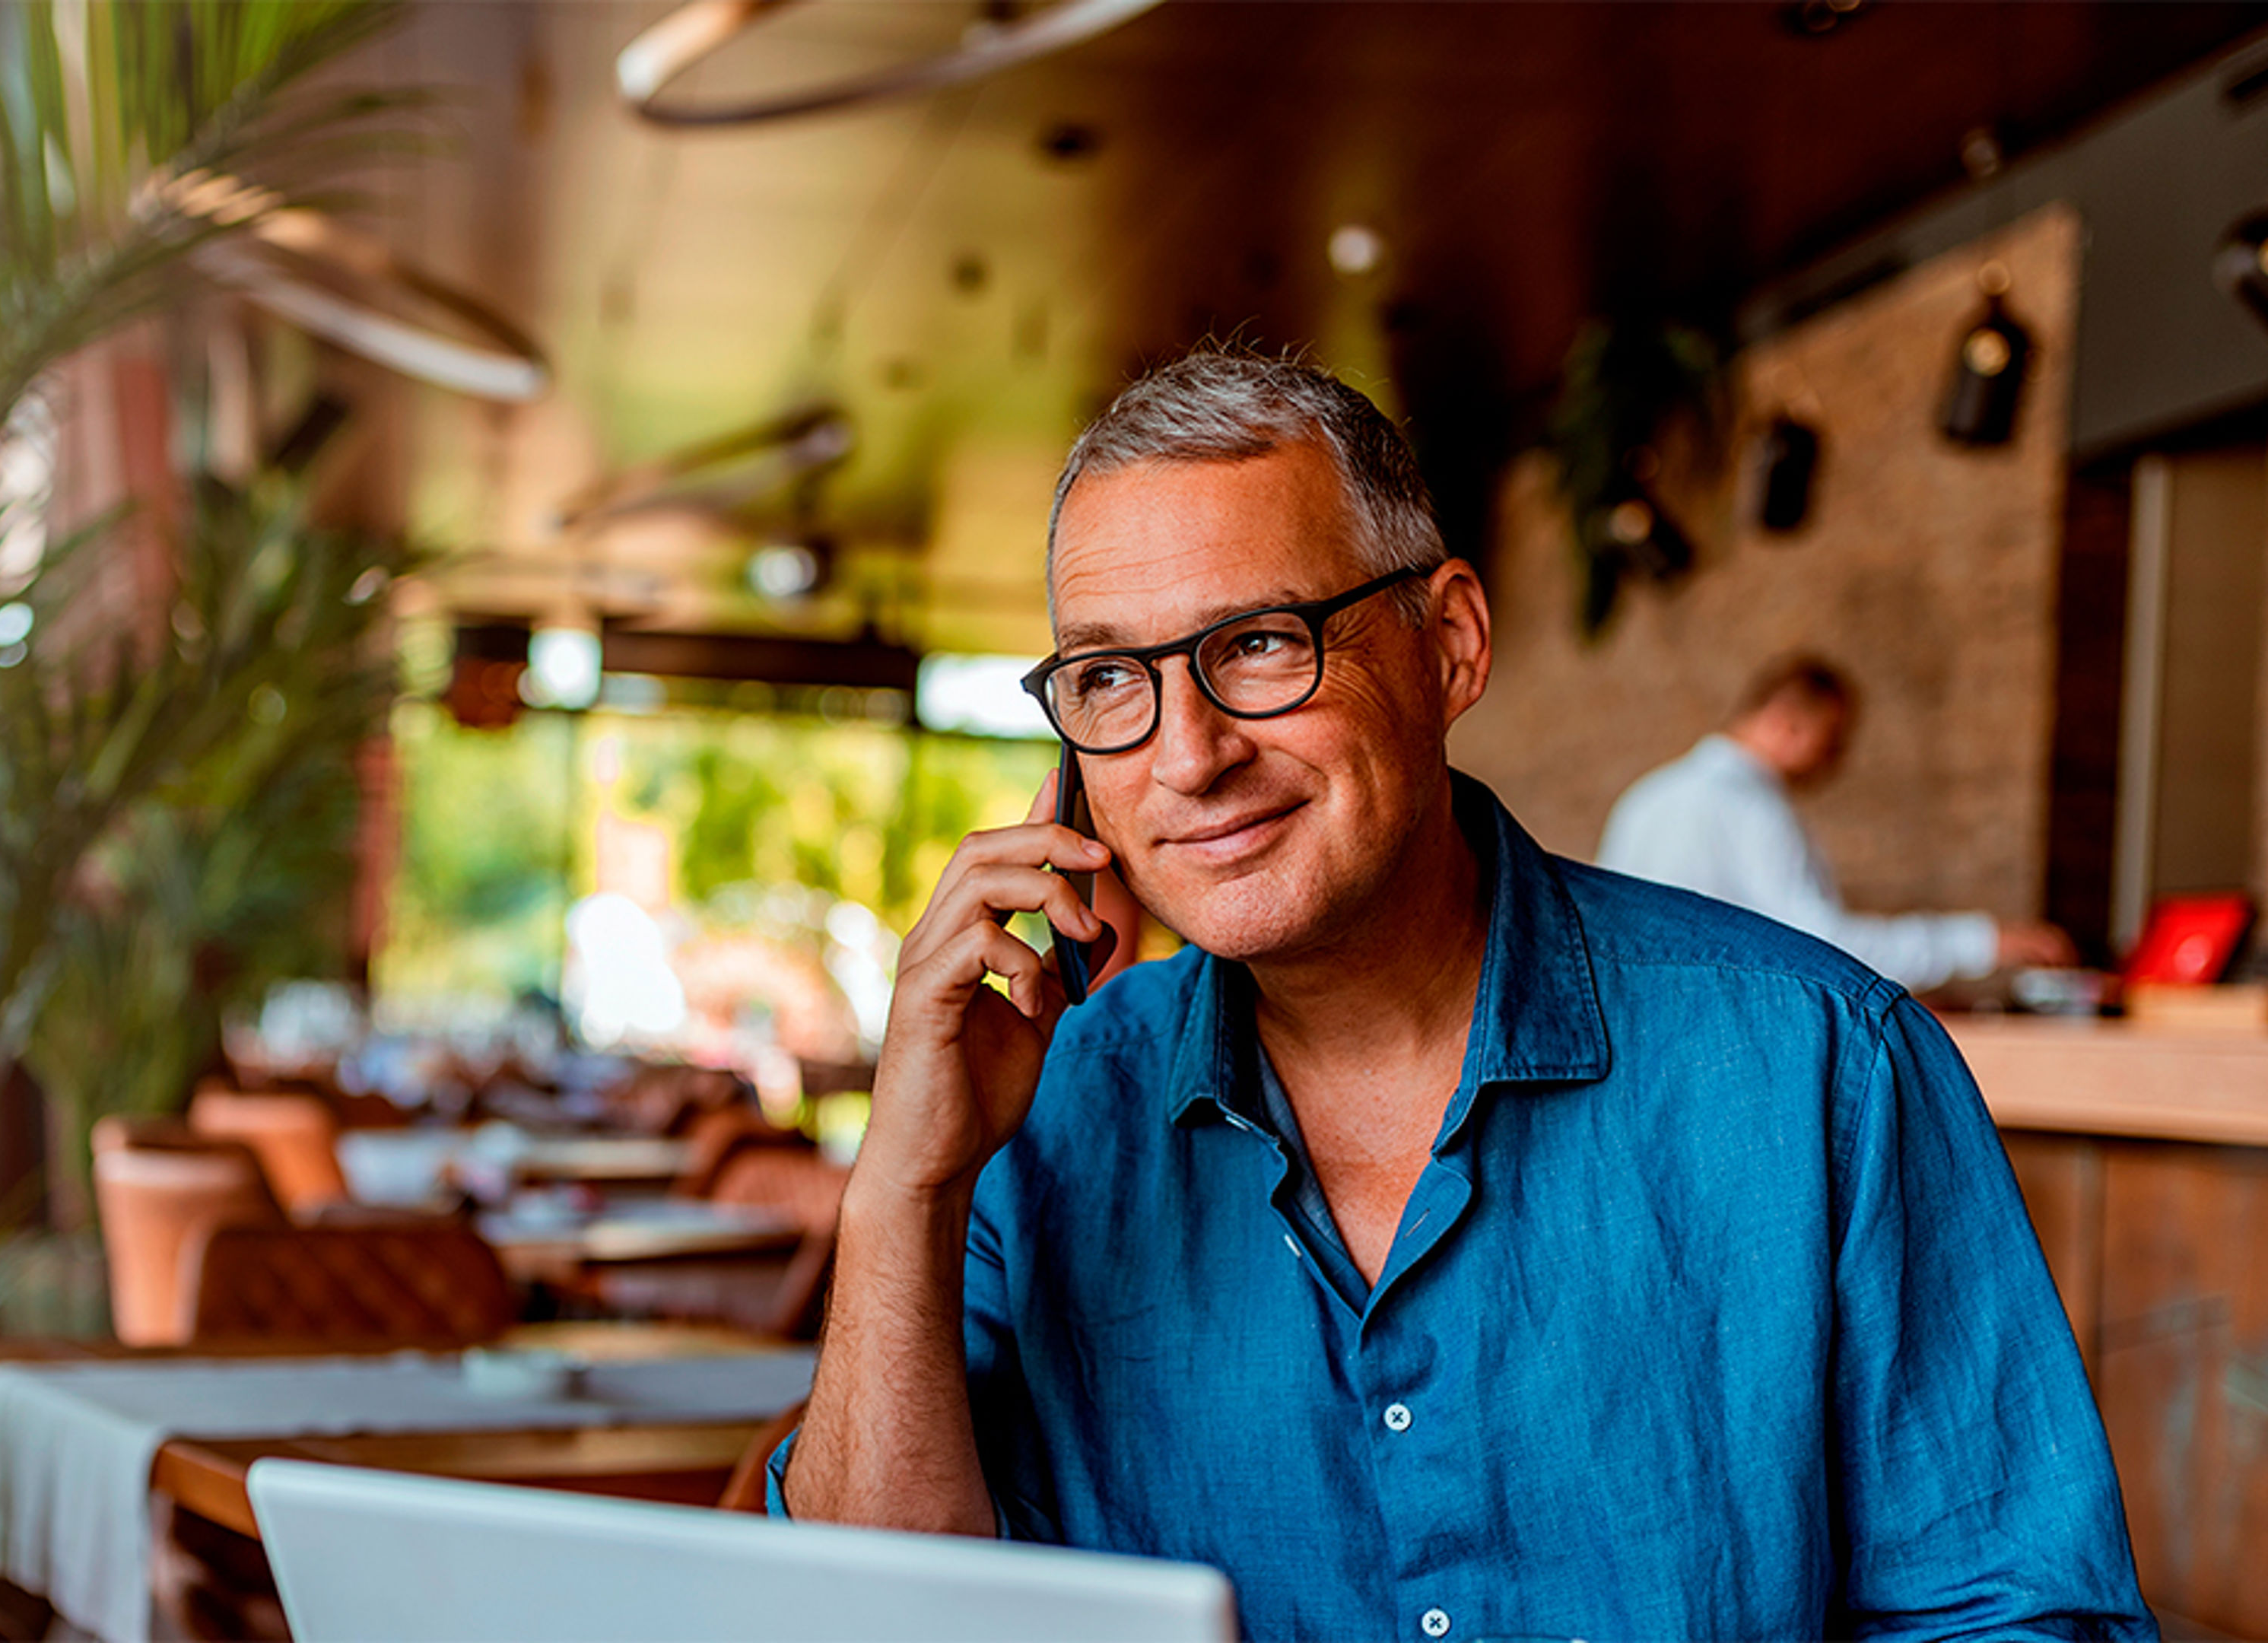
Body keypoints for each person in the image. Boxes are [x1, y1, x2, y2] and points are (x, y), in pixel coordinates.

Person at [773, 348, 2150, 1641]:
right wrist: (904, 1178)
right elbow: (873, 1613)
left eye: (1256, 644)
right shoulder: (1046, 1110)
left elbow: (2013, 1615)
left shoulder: (1824, 1072)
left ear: (1448, 646)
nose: (1184, 755)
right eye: (1110, 677)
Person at [1598, 657, 2079, 989]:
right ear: (1786, 724)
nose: (1837, 761)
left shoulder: (1647, 795)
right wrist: (1981, 942)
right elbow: (1824, 950)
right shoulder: (1750, 807)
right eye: (1832, 741)